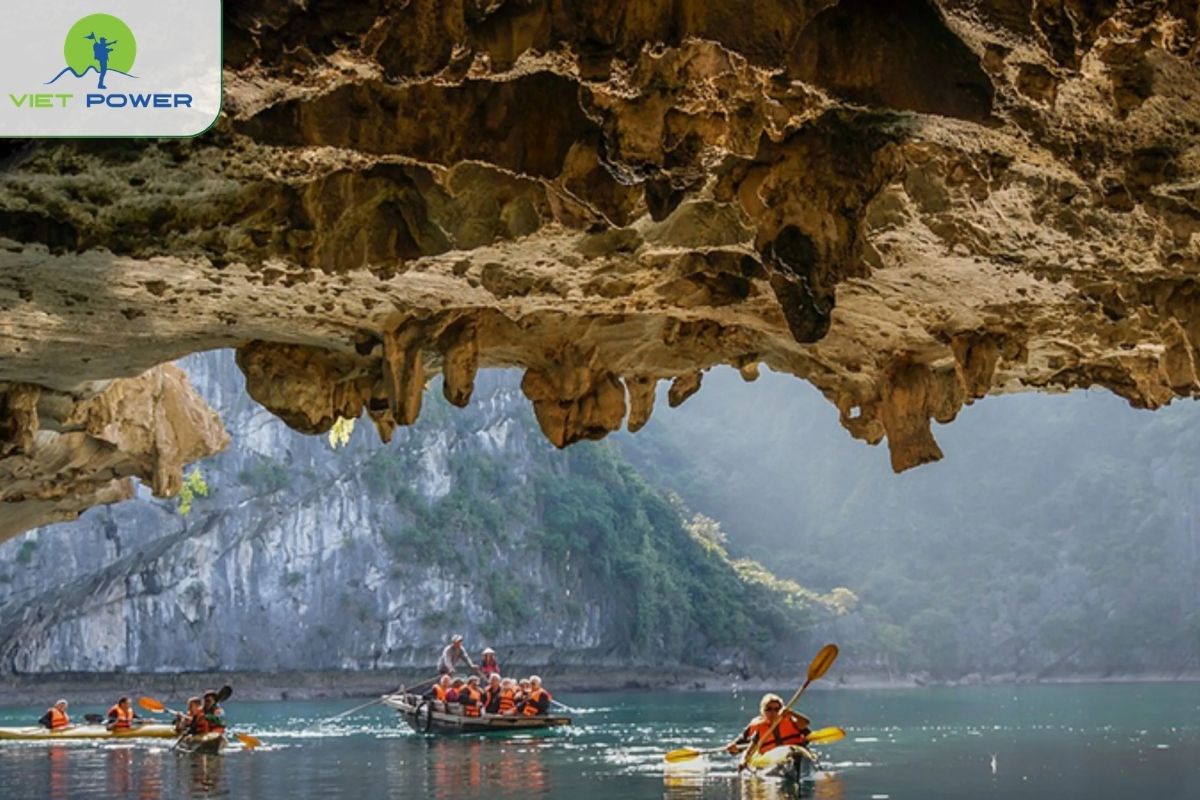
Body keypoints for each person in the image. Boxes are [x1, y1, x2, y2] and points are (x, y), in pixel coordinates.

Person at [726, 693, 810, 756]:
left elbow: (806, 726)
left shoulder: (792, 721)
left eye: (777, 709)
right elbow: (737, 748)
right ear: (763, 711)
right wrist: (732, 748)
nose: (773, 712)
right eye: (769, 709)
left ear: (782, 710)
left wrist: (792, 713)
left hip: (795, 753)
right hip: (770, 759)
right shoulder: (757, 727)